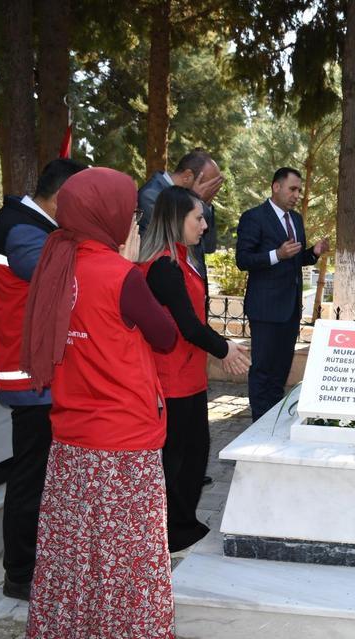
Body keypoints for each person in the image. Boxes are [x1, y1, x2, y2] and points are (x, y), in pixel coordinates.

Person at [20, 167, 179, 637]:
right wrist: (127, 266)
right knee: (127, 554)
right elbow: (166, 337)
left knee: (74, 551)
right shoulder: (120, 275)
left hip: (72, 438)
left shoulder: (57, 265)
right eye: (131, 213)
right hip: (124, 443)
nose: (135, 223)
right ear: (106, 216)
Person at [0, 158, 86, 601]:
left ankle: (31, 564)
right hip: (29, 376)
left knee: (40, 473)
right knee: (31, 476)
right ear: (62, 198)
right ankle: (21, 573)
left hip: (33, 373)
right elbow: (50, 276)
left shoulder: (29, 223)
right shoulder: (25, 229)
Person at [138, 186, 250, 553]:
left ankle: (182, 522)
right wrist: (225, 349)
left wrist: (218, 351)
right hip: (170, 379)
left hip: (188, 375)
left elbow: (195, 320)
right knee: (177, 459)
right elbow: (187, 324)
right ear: (176, 220)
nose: (204, 225)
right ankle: (170, 530)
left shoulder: (182, 259)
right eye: (198, 218)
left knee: (194, 454)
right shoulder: (164, 266)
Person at [236, 167, 329, 422]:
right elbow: (243, 260)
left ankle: (273, 421)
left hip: (290, 309)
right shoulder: (254, 217)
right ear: (276, 187)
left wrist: (313, 252)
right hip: (265, 309)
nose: (297, 194)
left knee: (280, 371)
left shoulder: (296, 220)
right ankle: (259, 424)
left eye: (299, 190)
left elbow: (294, 258)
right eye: (292, 189)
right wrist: (277, 254)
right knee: (263, 370)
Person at [138, 148, 223, 271]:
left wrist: (204, 206)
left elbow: (208, 247)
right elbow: (173, 241)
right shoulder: (151, 195)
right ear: (187, 176)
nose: (210, 191)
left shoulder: (201, 204)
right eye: (208, 185)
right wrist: (196, 202)